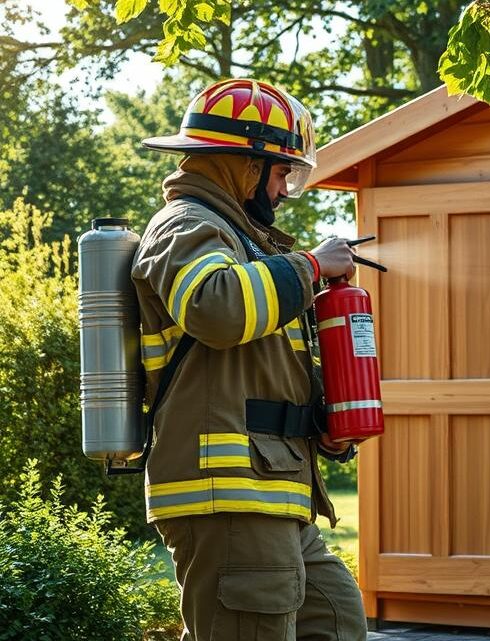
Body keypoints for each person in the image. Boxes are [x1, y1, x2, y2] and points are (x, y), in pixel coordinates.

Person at [132, 78, 367, 641]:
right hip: (226, 494)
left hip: (270, 490)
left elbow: (262, 368)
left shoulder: (244, 241)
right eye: (282, 172)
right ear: (243, 165)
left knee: (335, 620)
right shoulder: (187, 225)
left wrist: (325, 425)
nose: (286, 189)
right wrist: (310, 267)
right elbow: (217, 310)